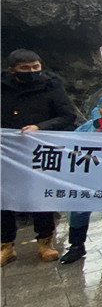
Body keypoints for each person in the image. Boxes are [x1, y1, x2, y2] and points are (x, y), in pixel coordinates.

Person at [1, 49, 77, 266]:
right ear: (13, 70)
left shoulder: (52, 86)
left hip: (40, 152)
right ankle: (6, 245)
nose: (32, 72)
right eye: (25, 68)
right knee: (4, 198)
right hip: (7, 153)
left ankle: (45, 242)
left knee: (41, 196)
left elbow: (67, 116)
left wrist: (40, 127)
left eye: (36, 67)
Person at [59, 91, 102, 264]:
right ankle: (76, 245)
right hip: (87, 175)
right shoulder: (88, 127)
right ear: (98, 108)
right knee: (79, 207)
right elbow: (72, 145)